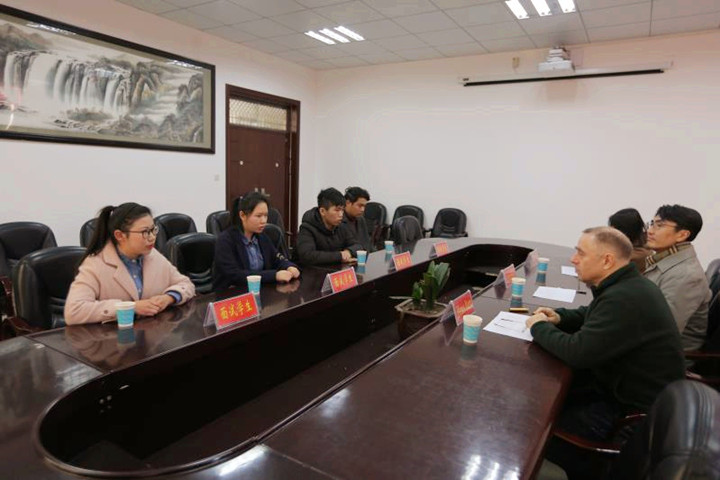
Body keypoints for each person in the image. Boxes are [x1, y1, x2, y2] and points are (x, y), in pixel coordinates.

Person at [525, 226, 684, 480]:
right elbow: (591, 314)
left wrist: (538, 327)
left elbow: (577, 352)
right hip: (623, 392)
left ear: (607, 261)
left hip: (628, 415)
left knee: (530, 428)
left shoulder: (624, 298)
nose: (573, 259)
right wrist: (559, 317)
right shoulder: (627, 285)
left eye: (581, 253)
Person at [65, 203, 195, 325]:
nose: (152, 237)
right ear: (120, 235)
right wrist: (130, 307)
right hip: (112, 337)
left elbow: (186, 284)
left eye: (153, 230)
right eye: (145, 232)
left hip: (152, 333)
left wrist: (169, 297)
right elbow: (74, 311)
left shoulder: (153, 255)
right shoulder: (95, 264)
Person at [644, 204, 711, 352]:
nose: (650, 231)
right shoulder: (662, 261)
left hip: (668, 355)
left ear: (682, 235)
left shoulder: (687, 275)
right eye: (652, 224)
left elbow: (662, 330)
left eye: (660, 226)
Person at [213, 193, 300, 291]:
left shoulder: (262, 237)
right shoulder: (225, 240)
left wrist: (289, 266)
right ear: (242, 215)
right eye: (258, 216)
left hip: (259, 291)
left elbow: (277, 258)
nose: (263, 221)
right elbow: (235, 275)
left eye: (265, 216)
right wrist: (274, 275)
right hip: (231, 294)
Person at [296, 188, 363, 265]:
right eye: (337, 210)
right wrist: (340, 256)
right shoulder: (307, 228)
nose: (341, 214)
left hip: (334, 269)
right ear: (322, 211)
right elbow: (307, 256)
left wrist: (348, 252)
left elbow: (358, 246)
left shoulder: (341, 226)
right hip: (309, 270)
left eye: (342, 210)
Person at [608, 207, 652, 272]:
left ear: (625, 231)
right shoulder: (643, 245)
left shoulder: (631, 257)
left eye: (614, 230)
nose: (610, 234)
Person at [343, 186, 374, 252]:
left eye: (364, 206)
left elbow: (367, 244)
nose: (363, 209)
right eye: (360, 206)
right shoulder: (338, 220)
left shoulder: (361, 219)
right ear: (348, 203)